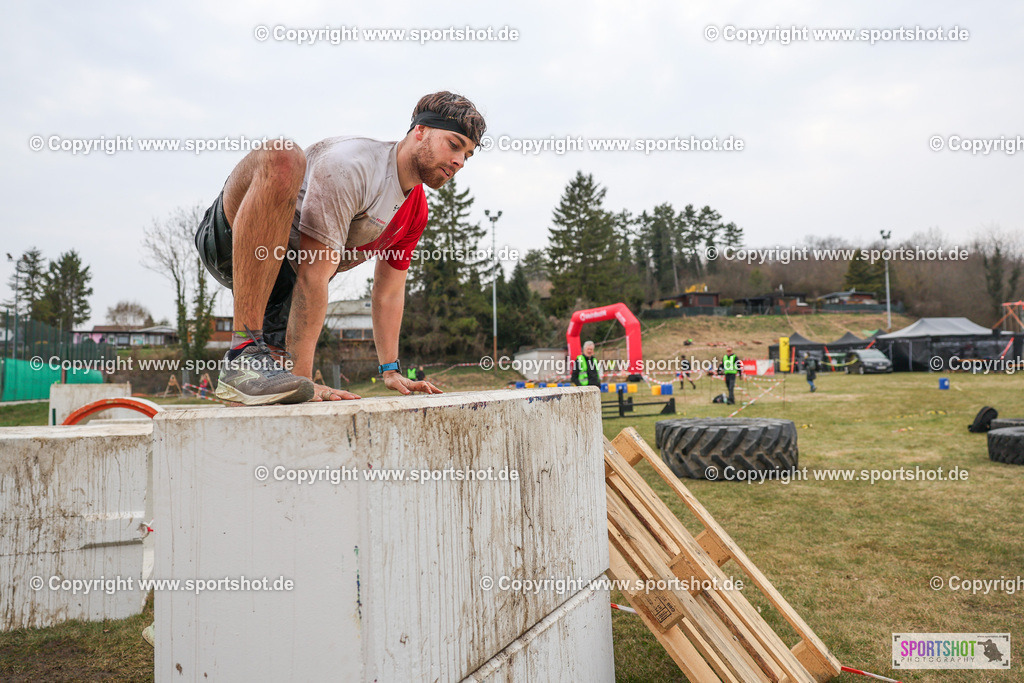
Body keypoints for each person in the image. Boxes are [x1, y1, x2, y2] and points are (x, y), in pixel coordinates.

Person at [194, 92, 485, 404]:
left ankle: (251, 371)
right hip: (232, 240)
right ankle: (243, 352)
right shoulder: (352, 165)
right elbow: (313, 275)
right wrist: (305, 378)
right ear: (420, 131)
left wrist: (390, 370)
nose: (459, 161)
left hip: (283, 287)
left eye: (467, 155)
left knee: (272, 395)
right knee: (284, 156)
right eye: (454, 144)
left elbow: (388, 292)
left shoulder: (415, 211)